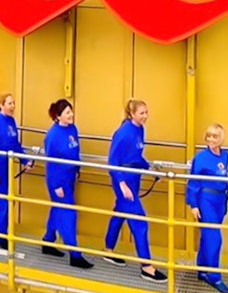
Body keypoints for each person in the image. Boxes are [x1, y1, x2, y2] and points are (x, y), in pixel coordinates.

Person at [102, 99, 166, 283]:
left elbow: (136, 156)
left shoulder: (140, 130)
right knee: (139, 221)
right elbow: (113, 160)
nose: (145, 116)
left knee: (120, 213)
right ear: (132, 114)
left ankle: (108, 249)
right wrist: (121, 183)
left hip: (133, 176)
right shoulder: (124, 133)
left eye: (146, 112)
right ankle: (146, 266)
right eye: (142, 113)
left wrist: (149, 170)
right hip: (124, 178)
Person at [42, 99, 93, 269]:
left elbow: (75, 152)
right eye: (67, 113)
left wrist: (77, 171)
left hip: (70, 177)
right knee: (68, 212)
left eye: (71, 111)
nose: (71, 115)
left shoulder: (73, 129)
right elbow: (51, 162)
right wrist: (56, 185)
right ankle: (75, 254)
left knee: (58, 209)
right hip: (58, 180)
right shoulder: (53, 135)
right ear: (58, 116)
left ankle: (48, 242)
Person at [186, 124, 228, 293]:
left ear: (221, 138)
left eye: (215, 136)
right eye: (209, 136)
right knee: (214, 238)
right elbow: (193, 181)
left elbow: (224, 176)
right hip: (206, 200)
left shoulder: (225, 155)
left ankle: (202, 269)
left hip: (220, 199)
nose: (211, 140)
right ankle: (214, 276)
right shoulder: (201, 158)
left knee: (207, 236)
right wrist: (194, 204)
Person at [0, 93, 33, 249]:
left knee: (4, 199)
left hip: (6, 166)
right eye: (10, 103)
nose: (13, 106)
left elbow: (15, 146)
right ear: (1, 105)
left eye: (14, 103)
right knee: (3, 199)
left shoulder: (11, 122)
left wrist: (26, 160)